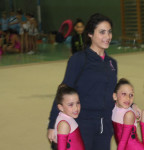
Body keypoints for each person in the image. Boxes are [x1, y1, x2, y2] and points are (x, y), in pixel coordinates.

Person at [47, 13, 119, 150]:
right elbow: (64, 90)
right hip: (83, 124)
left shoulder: (112, 63)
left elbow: (113, 93)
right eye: (102, 32)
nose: (108, 36)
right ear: (91, 34)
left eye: (109, 32)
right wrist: (52, 124)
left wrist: (130, 105)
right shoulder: (79, 59)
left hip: (105, 126)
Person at [112, 78, 144, 150]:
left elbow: (123, 141)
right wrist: (133, 105)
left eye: (131, 95)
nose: (128, 98)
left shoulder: (129, 114)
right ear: (115, 96)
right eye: (124, 94)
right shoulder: (113, 109)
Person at [53, 84, 85, 150]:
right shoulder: (64, 124)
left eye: (78, 103)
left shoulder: (68, 118)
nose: (76, 108)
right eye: (71, 105)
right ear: (61, 107)